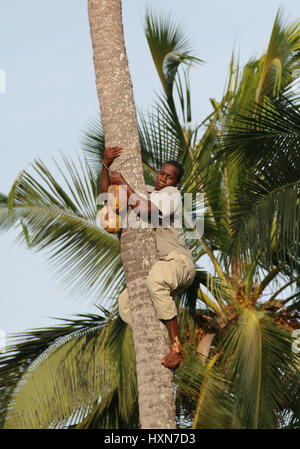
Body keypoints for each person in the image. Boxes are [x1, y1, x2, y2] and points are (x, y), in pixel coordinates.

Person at [99, 146, 196, 369]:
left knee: (156, 279)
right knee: (125, 303)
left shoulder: (172, 195)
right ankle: (156, 334)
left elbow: (148, 210)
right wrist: (105, 165)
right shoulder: (147, 191)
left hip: (178, 263)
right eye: (161, 173)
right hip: (162, 268)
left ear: (176, 183)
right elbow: (108, 196)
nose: (162, 178)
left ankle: (178, 348)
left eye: (169, 177)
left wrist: (124, 183)